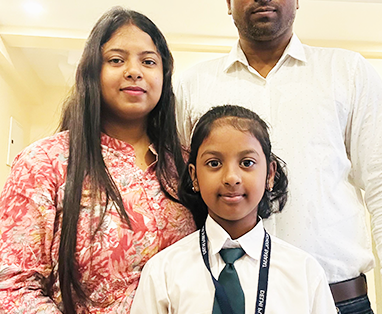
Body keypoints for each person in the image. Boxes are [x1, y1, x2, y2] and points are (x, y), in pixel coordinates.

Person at [175, 0, 382, 314]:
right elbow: (178, 199)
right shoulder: (192, 86)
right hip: (228, 301)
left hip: (340, 299)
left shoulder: (348, 73)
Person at [0, 6, 195, 313]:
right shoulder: (44, 163)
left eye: (148, 61)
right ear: (92, 72)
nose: (134, 71)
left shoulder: (186, 166)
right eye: (116, 60)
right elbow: (12, 286)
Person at [131, 105, 337, 314]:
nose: (231, 177)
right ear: (194, 176)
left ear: (269, 174)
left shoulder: (304, 274)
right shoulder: (163, 273)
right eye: (214, 163)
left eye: (247, 163)